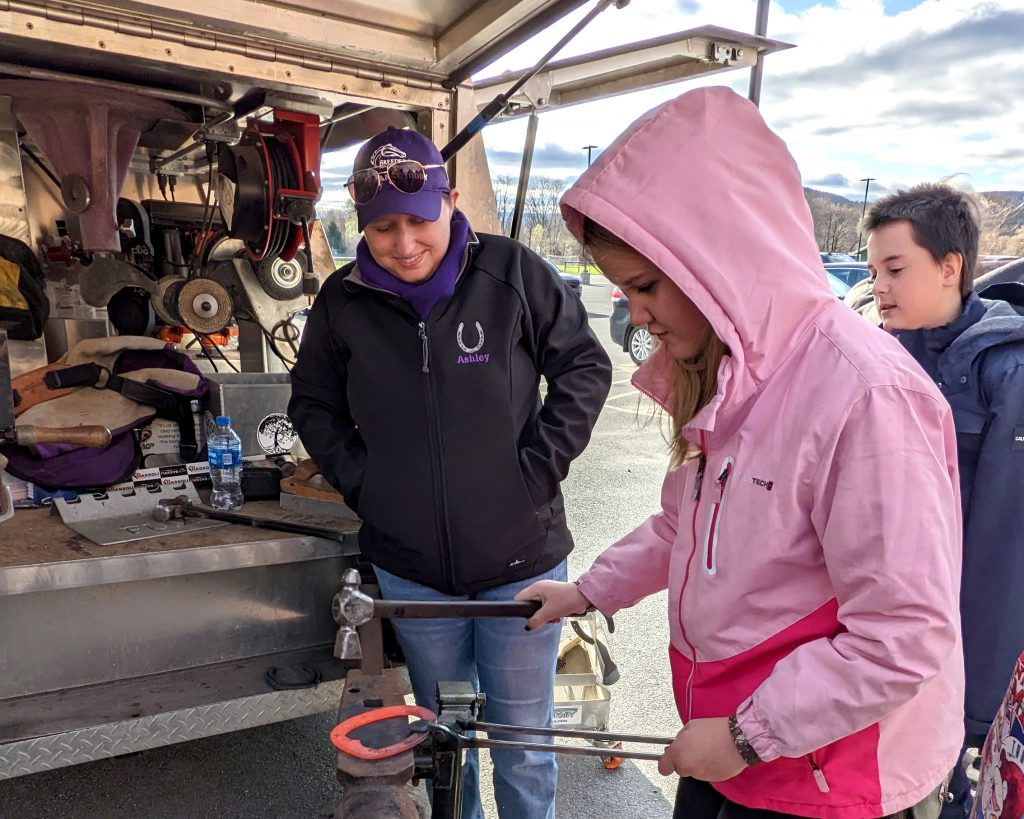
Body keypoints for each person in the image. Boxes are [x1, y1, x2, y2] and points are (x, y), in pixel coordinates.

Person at [517, 86, 964, 819]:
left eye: (647, 285)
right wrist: (590, 591)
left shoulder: (866, 394)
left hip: (825, 771)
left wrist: (747, 735)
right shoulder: (729, 380)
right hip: (735, 739)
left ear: (715, 261)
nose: (636, 314)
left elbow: (904, 633)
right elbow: (678, 529)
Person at [288, 126, 611, 819]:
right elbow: (311, 403)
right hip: (412, 569)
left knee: (523, 743)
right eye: (381, 227)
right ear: (359, 222)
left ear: (451, 199)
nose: (403, 243)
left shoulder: (512, 273)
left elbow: (585, 366)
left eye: (418, 220)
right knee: (445, 740)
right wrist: (366, 484)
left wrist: (535, 470)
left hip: (521, 562)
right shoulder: (341, 302)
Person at [864, 184, 1024, 819]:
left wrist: (978, 704)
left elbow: (1001, 546)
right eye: (874, 270)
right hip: (876, 637)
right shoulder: (878, 355)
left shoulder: (1005, 373)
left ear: (951, 266)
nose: (879, 285)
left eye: (896, 269)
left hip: (953, 650)